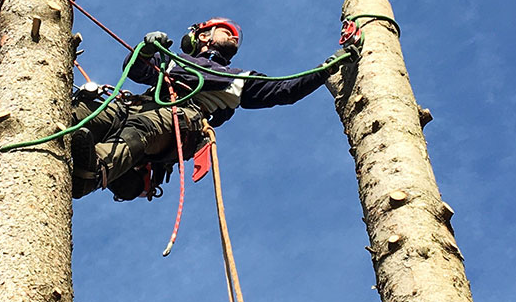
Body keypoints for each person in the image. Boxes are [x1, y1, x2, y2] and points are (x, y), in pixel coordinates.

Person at [70, 17, 355, 199]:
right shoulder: (173, 60)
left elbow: (286, 89)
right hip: (135, 105)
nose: (233, 36)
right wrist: (145, 49)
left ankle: (91, 172)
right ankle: (47, 128)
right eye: (225, 30)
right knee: (91, 111)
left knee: (143, 128)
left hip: (177, 119)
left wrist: (328, 65)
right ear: (202, 36)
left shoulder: (238, 79)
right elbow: (137, 69)